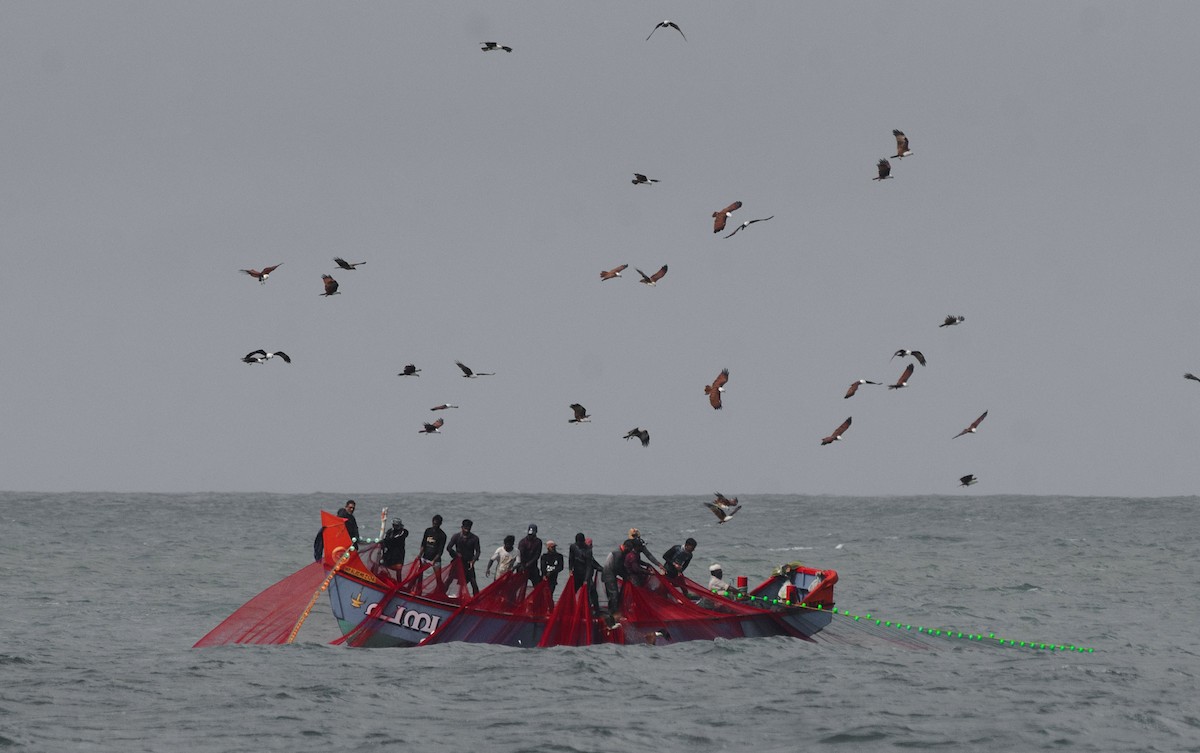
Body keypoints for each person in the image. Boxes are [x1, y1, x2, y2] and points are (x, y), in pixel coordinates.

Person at [446, 519, 482, 596]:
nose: (467, 530)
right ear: (462, 527)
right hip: (457, 562)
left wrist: (473, 560)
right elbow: (449, 548)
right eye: (465, 528)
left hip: (469, 563)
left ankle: (476, 599)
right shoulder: (456, 536)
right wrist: (455, 554)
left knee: (473, 582)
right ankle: (441, 593)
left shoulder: (474, 538)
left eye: (468, 528)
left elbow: (478, 551)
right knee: (450, 579)